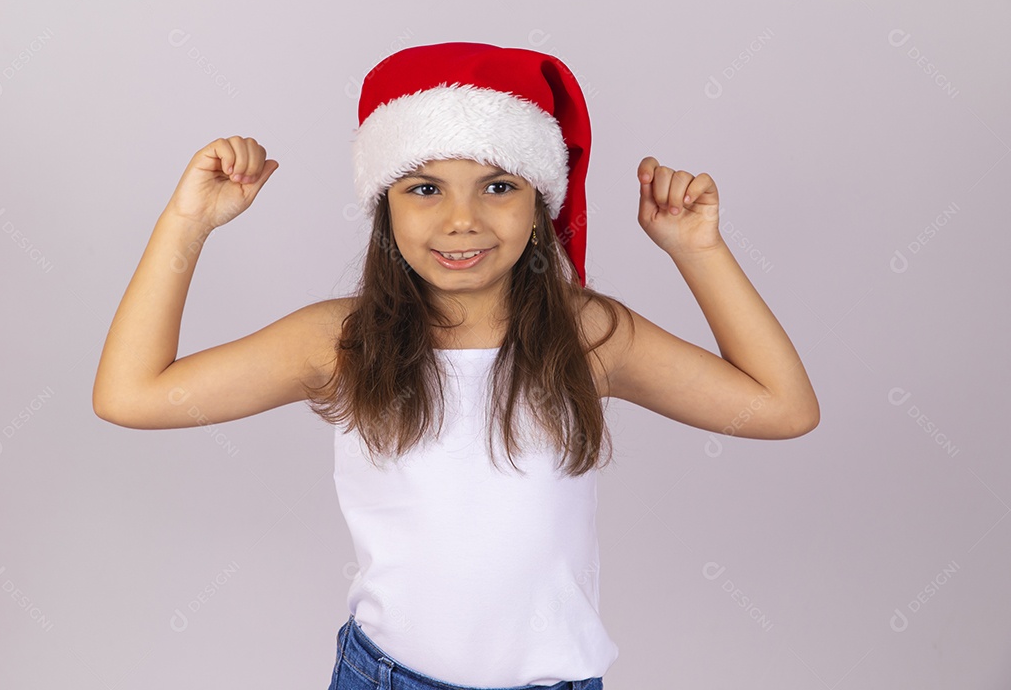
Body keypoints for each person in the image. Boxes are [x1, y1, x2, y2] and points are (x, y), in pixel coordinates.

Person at [92, 42, 818, 690]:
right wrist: (186, 223)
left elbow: (782, 408)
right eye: (425, 187)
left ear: (541, 205)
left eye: (499, 186)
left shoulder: (588, 334)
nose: (461, 219)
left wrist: (699, 252)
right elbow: (131, 395)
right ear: (385, 207)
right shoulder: (340, 341)